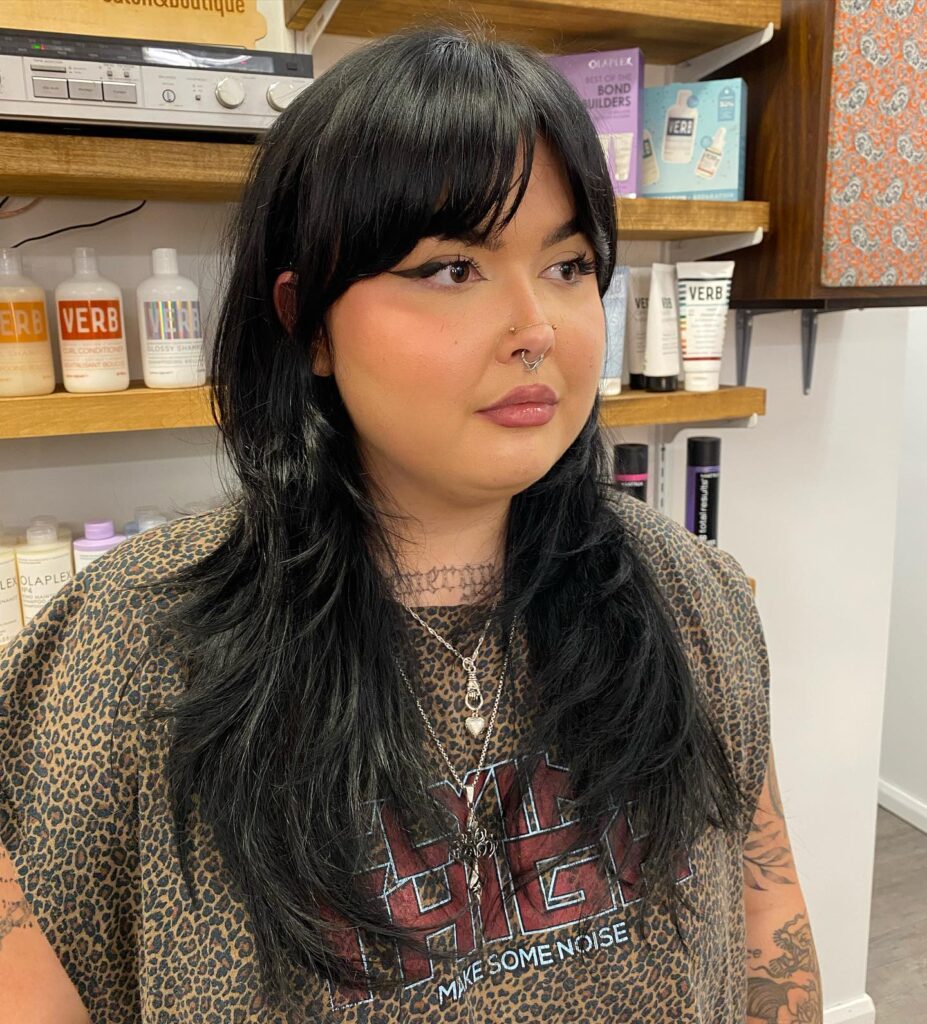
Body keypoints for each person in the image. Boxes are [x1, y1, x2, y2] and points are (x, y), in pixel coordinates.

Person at [0, 23, 820, 1024]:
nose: (536, 329)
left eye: (568, 265)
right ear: (307, 321)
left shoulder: (692, 596)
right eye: (451, 269)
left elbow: (767, 926)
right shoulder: (134, 644)